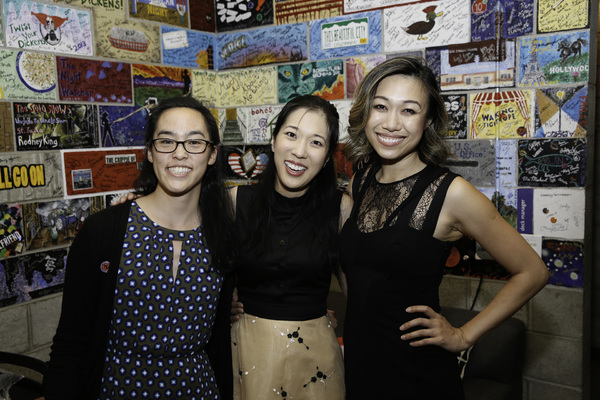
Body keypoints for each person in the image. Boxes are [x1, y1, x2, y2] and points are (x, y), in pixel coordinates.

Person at [339, 56, 549, 399]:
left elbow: (533, 271)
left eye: (408, 110)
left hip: (417, 376)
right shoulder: (358, 184)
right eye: (381, 106)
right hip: (361, 368)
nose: (391, 123)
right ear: (366, 112)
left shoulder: (453, 193)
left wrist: (464, 336)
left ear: (429, 120)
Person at [44, 96, 236, 399]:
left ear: (212, 154)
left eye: (195, 143)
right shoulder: (104, 231)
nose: (179, 154)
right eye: (166, 142)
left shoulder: (223, 235)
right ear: (149, 151)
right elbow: (71, 338)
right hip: (117, 389)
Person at [228, 95, 350, 400]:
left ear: (326, 157)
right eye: (291, 134)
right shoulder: (234, 201)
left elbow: (359, 290)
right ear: (273, 139)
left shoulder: (342, 208)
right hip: (249, 350)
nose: (299, 151)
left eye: (316, 142)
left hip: (315, 356)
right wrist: (221, 304)